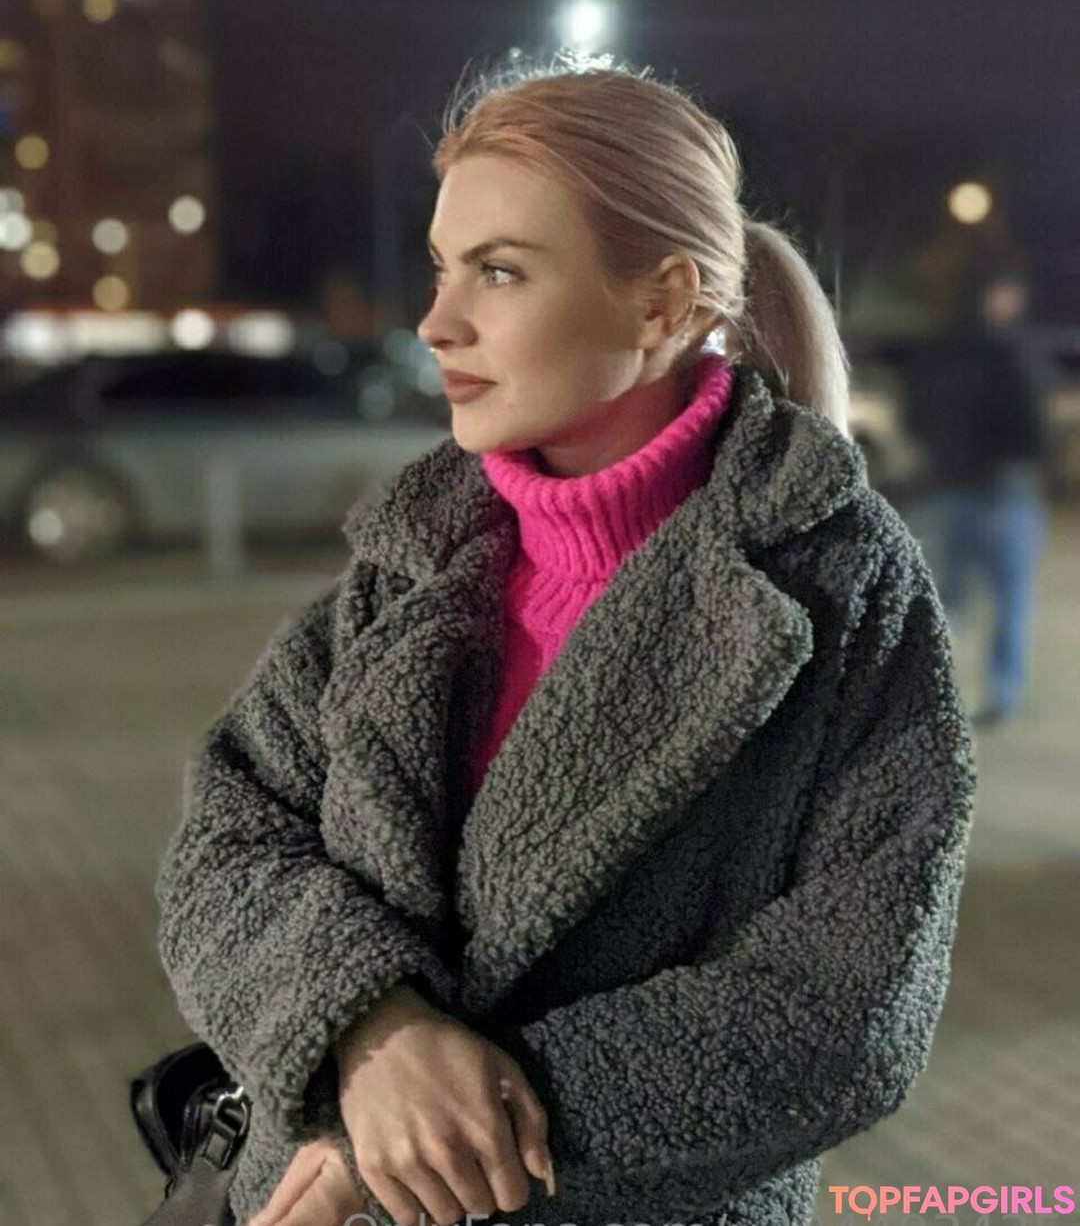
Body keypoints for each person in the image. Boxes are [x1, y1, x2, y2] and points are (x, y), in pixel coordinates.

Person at [156, 60, 976, 1226]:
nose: (437, 321)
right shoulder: (413, 558)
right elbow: (226, 839)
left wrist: (443, 1133)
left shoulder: (837, 584)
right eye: (443, 266)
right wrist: (369, 1030)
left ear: (662, 305)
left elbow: (848, 1005)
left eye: (499, 270)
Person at [903, 267, 1050, 729]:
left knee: (947, 601)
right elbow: (1034, 428)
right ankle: (1001, 693)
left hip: (948, 486)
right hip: (1005, 492)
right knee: (1009, 599)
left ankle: (926, 692)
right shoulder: (1015, 351)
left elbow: (915, 415)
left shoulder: (937, 350)